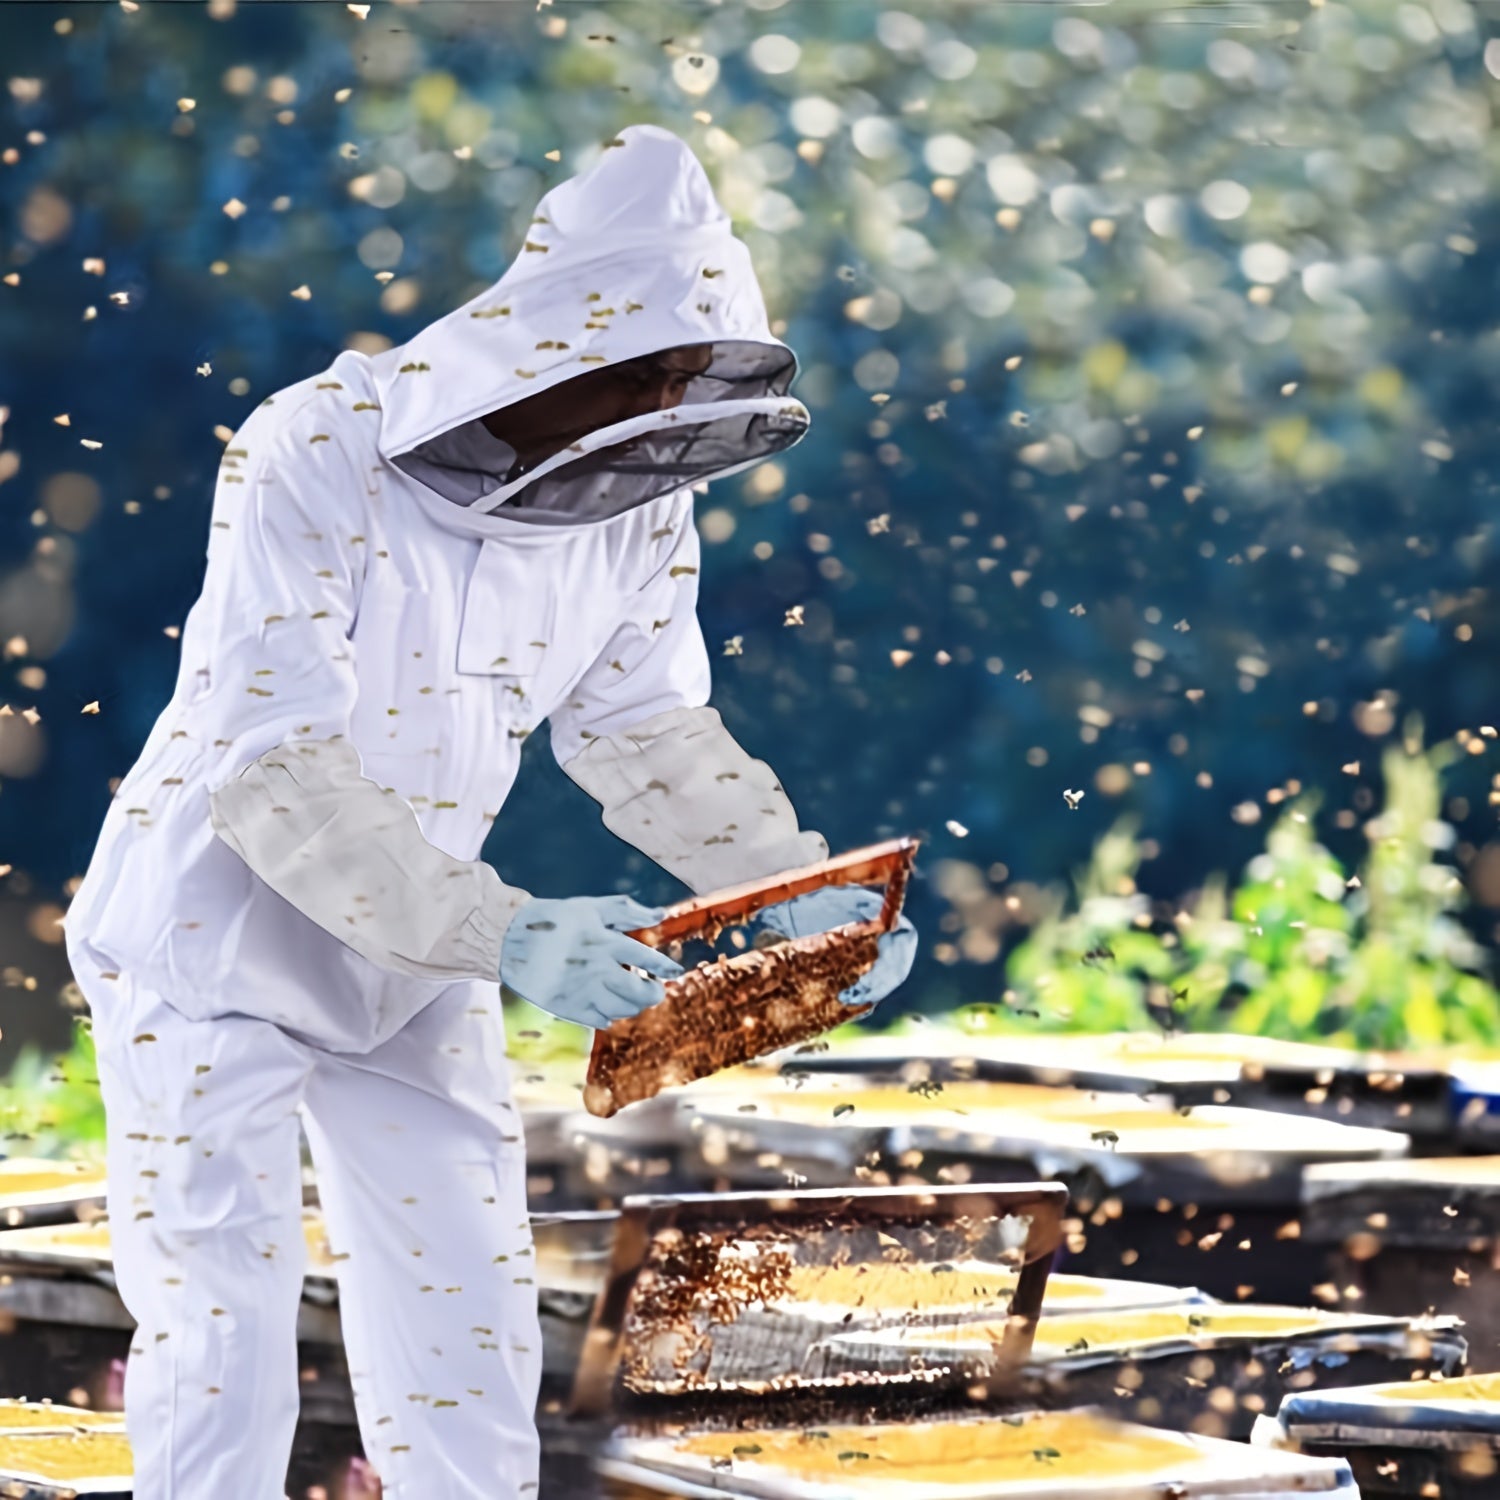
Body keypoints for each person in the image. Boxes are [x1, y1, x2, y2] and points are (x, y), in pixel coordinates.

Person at [63, 123, 917, 1499]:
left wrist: (804, 891)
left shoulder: (641, 507)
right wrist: (510, 932)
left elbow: (645, 730)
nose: (663, 408)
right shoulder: (319, 445)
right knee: (222, 1325)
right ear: (554, 339)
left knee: (466, 1320)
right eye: (645, 371)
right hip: (209, 938)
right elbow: (272, 762)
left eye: (687, 377)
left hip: (421, 959)